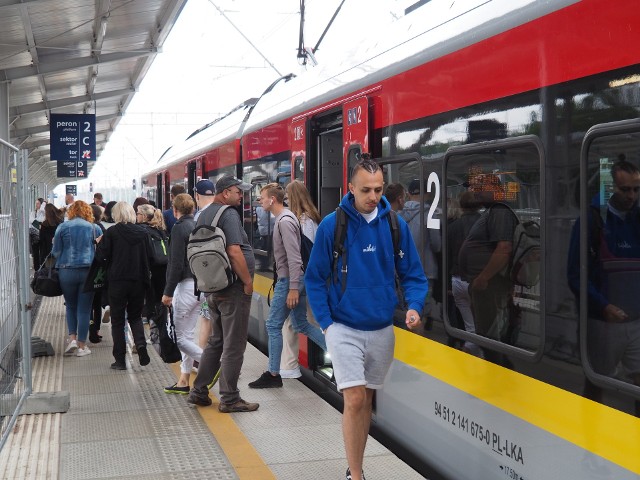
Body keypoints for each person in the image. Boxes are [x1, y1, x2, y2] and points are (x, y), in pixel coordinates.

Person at [305, 157, 428, 480]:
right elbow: (314, 278)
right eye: (366, 190)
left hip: (382, 328)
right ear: (350, 188)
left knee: (367, 400)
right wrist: (327, 323)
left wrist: (414, 306)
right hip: (343, 326)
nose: (373, 196)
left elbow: (413, 275)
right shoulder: (333, 225)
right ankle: (357, 474)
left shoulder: (394, 225)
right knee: (356, 397)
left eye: (378, 189)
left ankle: (354, 464)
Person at [567, 159, 640, 415]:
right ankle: (590, 438)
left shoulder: (637, 221)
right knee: (597, 383)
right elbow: (575, 274)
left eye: (636, 189)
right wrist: (603, 305)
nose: (631, 196)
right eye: (625, 189)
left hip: (636, 321)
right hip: (603, 323)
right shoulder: (591, 221)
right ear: (610, 188)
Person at [187, 175, 259, 413]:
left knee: (216, 341)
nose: (242, 196)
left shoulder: (204, 214)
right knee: (234, 345)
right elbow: (234, 251)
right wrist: (247, 282)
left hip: (213, 287)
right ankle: (230, 398)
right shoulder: (228, 214)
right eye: (239, 192)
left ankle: (199, 390)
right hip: (233, 289)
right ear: (226, 192)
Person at [248, 183, 326, 389]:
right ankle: (339, 352)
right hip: (293, 280)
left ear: (272, 199)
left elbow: (294, 258)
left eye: (262, 197)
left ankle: (273, 374)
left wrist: (292, 288)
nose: (260, 201)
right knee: (301, 324)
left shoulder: (284, 221)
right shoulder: (289, 218)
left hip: (289, 280)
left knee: (273, 325)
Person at [458, 173, 517, 366]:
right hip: (485, 286)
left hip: (489, 286)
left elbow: (504, 248)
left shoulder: (500, 211)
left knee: (489, 337)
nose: (475, 191)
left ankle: (502, 380)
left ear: (496, 189)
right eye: (473, 187)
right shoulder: (491, 212)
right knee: (487, 336)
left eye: (480, 187)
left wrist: (483, 277)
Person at [95, 202, 152, 370]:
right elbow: (151, 256)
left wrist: (99, 243)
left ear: (116, 215)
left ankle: (120, 360)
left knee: (118, 320)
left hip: (117, 281)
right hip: (138, 281)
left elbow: (101, 257)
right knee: (135, 316)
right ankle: (141, 344)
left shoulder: (112, 232)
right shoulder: (143, 232)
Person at [280, 180, 322, 378]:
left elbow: (302, 254)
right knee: (301, 320)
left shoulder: (302, 222)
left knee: (297, 321)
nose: (285, 202)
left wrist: (295, 284)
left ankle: (289, 367)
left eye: (287, 198)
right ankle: (289, 366)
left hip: (304, 278)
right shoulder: (311, 219)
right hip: (310, 278)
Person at [161, 193, 202, 394]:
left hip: (185, 286)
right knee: (188, 335)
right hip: (200, 287)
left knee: (176, 335)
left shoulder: (179, 228)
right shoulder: (196, 225)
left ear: (175, 210)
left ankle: (212, 363)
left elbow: (176, 264)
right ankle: (183, 382)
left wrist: (168, 293)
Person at [51, 200, 102, 358]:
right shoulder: (95, 228)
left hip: (66, 272)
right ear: (88, 211)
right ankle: (82, 345)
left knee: (71, 306)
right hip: (89, 271)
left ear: (71, 212)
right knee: (85, 309)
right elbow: (103, 251)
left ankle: (72, 339)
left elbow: (56, 252)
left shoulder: (62, 227)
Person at [399, 178, 441, 327]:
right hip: (426, 269)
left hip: (402, 268)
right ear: (427, 194)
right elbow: (437, 244)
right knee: (422, 304)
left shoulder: (398, 214)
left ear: (409, 194)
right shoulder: (431, 214)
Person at [447, 191, 483, 357]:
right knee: (483, 327)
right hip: (478, 281)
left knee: (470, 326)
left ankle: (468, 353)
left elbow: (446, 255)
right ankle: (470, 353)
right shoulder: (484, 224)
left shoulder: (452, 227)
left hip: (456, 280)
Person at [88, 204, 107, 344]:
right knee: (97, 302)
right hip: (97, 268)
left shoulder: (81, 227)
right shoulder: (98, 228)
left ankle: (88, 328)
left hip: (82, 267)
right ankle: (96, 331)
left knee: (86, 303)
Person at [38, 203, 63, 269]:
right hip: (59, 253)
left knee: (48, 274)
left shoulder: (44, 225)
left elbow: (41, 239)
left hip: (47, 254)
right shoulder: (61, 223)